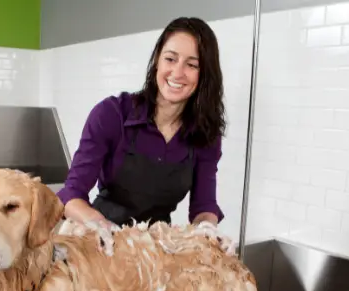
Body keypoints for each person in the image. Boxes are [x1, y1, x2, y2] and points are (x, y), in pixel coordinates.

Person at [57, 17, 226, 231]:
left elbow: (204, 206)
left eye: (192, 64)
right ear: (157, 60)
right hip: (101, 239)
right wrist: (101, 225)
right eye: (170, 59)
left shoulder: (205, 134)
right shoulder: (112, 114)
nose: (177, 72)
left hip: (155, 247)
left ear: (204, 75)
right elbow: (71, 195)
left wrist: (207, 229)